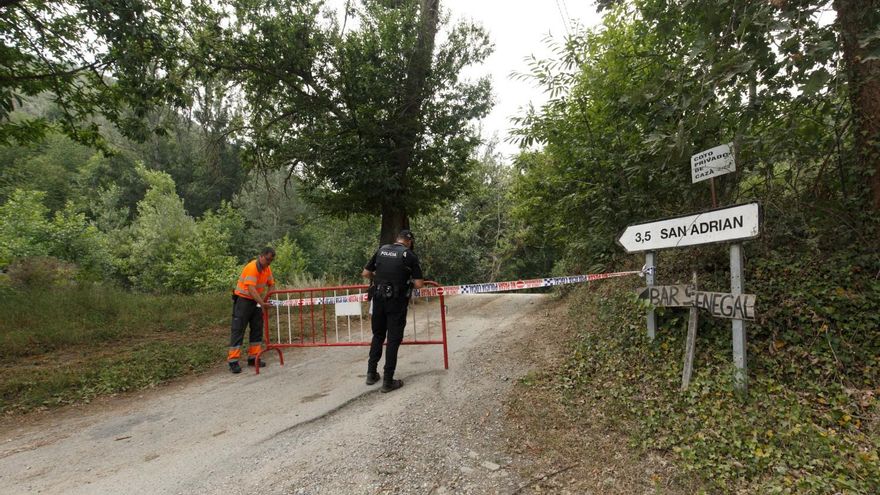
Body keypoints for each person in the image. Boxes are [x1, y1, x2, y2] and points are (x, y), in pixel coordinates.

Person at [362, 229, 424, 393]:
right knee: (393, 340)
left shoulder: (382, 250)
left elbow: (366, 273)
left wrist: (380, 279)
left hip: (378, 299)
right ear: (409, 242)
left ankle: (371, 373)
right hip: (396, 302)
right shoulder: (409, 255)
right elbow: (418, 284)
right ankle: (388, 381)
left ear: (397, 239)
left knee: (378, 335)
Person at [228, 247, 276, 374]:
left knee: (257, 329)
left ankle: (253, 357)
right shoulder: (252, 268)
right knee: (238, 330)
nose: (269, 262)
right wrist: (262, 302)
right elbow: (251, 289)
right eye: (267, 259)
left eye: (271, 260)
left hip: (256, 302)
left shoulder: (267, 268)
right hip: (243, 301)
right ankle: (233, 361)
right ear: (261, 256)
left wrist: (267, 298)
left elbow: (272, 284)